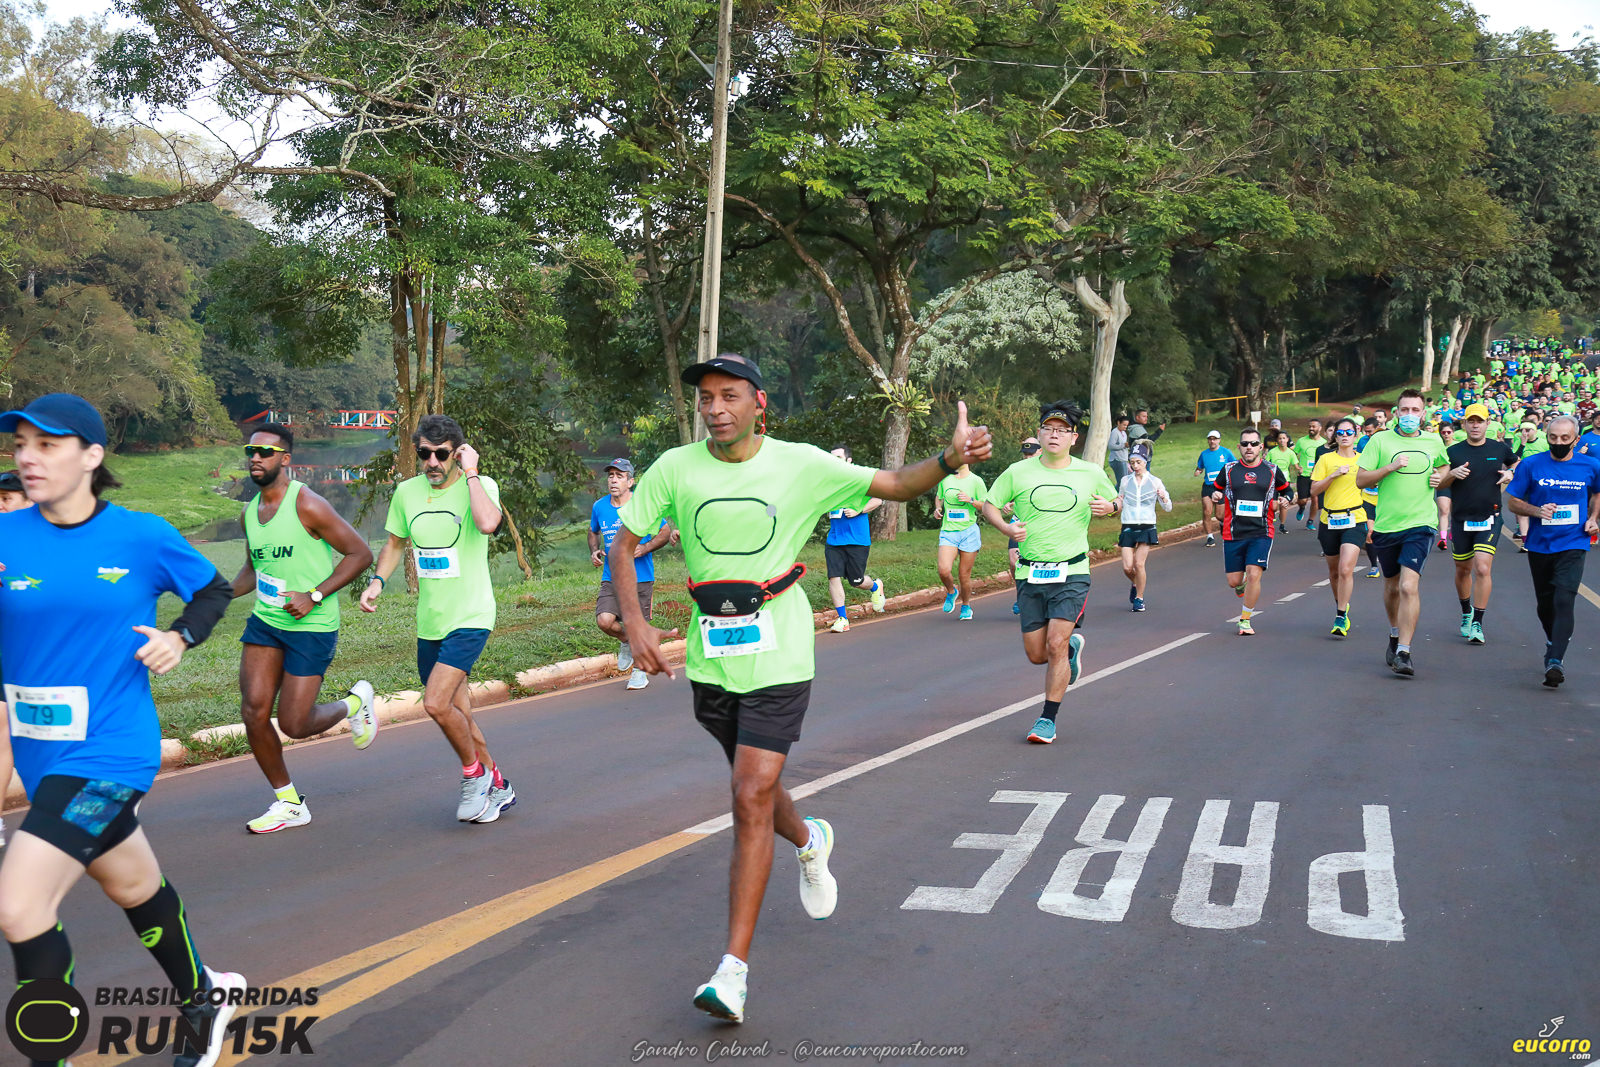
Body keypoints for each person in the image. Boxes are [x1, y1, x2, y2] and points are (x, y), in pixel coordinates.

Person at [610, 354, 991, 1024]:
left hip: (781, 654)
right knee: (757, 791)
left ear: (759, 403)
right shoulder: (674, 467)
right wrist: (635, 622)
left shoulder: (801, 464)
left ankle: (732, 972)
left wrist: (946, 458)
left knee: (748, 794)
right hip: (711, 657)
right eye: (706, 398)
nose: (716, 408)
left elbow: (895, 483)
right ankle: (811, 839)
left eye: (730, 395)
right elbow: (623, 543)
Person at [0, 394, 246, 1067]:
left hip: (111, 753)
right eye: (20, 444)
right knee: (132, 886)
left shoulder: (141, 536)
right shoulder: (6, 537)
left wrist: (178, 637)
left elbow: (213, 590)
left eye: (47, 444)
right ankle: (205, 995)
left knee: (19, 906)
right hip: (45, 759)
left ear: (92, 456)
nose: (28, 457)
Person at [360, 414, 516, 824]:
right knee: (459, 714)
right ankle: (499, 784)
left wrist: (472, 473)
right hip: (431, 621)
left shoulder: (479, 486)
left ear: (457, 453)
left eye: (441, 454)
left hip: (471, 614)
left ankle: (474, 776)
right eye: (424, 454)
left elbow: (488, 523)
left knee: (435, 702)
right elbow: (395, 544)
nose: (432, 462)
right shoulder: (407, 492)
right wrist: (377, 582)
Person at [230, 422, 377, 834]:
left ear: (285, 459)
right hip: (266, 622)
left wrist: (313, 595)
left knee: (294, 724)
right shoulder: (249, 513)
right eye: (251, 451)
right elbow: (253, 569)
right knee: (254, 711)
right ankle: (290, 803)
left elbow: (360, 554)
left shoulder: (308, 504)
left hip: (311, 626)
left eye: (266, 452)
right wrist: (216, 593)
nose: (256, 458)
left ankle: (354, 704)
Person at [980, 400, 1118, 743]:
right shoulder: (1018, 472)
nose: (1055, 435)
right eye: (1049, 429)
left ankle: (1047, 719)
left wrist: (1111, 506)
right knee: (1037, 654)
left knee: (1054, 644)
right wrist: (1006, 528)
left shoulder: (1090, 473)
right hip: (1029, 573)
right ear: (1039, 434)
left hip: (1072, 571)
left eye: (1062, 430)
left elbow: (1116, 500)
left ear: (1074, 438)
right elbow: (989, 505)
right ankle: (1071, 649)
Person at [1356, 389, 1450, 677]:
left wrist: (1441, 477)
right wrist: (1390, 467)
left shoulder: (1433, 440)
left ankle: (1404, 652)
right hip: (1386, 525)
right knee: (1392, 586)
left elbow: (1444, 466)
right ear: (1396, 413)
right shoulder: (1380, 440)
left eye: (1415, 410)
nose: (1410, 415)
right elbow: (1361, 480)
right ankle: (1395, 634)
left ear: (1423, 414)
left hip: (1421, 523)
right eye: (1405, 410)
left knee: (1409, 586)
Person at [1504, 415, 1600, 687]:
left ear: (1576, 440)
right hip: (1540, 543)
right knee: (1545, 603)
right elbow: (1513, 502)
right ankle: (1552, 641)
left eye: (1564, 438)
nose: (1558, 442)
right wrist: (1537, 511)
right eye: (1553, 437)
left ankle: (1555, 660)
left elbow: (1597, 494)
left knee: (1564, 597)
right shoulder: (1531, 464)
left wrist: (1594, 518)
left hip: (1574, 541)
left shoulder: (1591, 465)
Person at [1432, 404, 1516, 645]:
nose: (1476, 425)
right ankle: (1466, 611)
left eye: (1480, 421)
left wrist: (1510, 473)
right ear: (1465, 424)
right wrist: (1451, 474)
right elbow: (1438, 484)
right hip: (1461, 520)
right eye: (1471, 421)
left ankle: (1478, 622)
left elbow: (1516, 463)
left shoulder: (1499, 448)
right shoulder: (1453, 452)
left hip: (1490, 518)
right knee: (1463, 570)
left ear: (1488, 423)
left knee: (1482, 568)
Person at [590, 458, 672, 689]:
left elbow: (665, 532)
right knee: (604, 621)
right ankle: (625, 640)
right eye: (611, 476)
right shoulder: (599, 506)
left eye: (620, 476)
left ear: (631, 482)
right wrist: (594, 550)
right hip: (612, 577)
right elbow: (593, 531)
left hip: (640, 577)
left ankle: (639, 672)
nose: (614, 480)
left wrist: (645, 548)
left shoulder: (641, 505)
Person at [1211, 429, 1291, 636]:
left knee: (1254, 573)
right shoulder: (1229, 469)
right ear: (1239, 447)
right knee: (1234, 582)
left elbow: (1287, 489)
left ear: (1261, 447)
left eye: (1254, 444)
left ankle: (1245, 620)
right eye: (1245, 444)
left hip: (1261, 531)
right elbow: (1216, 488)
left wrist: (1286, 499)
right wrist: (1216, 495)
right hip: (1234, 532)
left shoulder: (1271, 470)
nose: (1249, 447)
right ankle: (1242, 582)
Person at [1310, 418, 1366, 637]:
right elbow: (1314, 490)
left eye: (1349, 432)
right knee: (1334, 572)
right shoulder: (1326, 459)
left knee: (1345, 569)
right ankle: (1341, 605)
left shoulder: (1363, 460)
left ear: (1356, 434)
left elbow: (1373, 486)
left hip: (1355, 518)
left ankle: (1341, 616)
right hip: (1329, 520)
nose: (1344, 436)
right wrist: (1332, 475)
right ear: (1335, 436)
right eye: (1340, 432)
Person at [822, 446, 886, 633]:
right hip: (834, 540)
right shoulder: (829, 483)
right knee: (833, 577)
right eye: (832, 457)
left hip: (857, 540)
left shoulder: (859, 479)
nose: (834, 460)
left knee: (856, 581)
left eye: (839, 457)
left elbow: (878, 500)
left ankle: (875, 586)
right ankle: (842, 618)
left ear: (848, 460)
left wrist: (859, 510)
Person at [1117, 442, 1170, 612]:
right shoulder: (1125, 481)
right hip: (1128, 525)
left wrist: (1163, 497)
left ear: (1145, 462)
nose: (1135, 466)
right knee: (1127, 567)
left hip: (1147, 526)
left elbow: (1168, 507)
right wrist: (1114, 505)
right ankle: (1135, 583)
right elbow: (1120, 500)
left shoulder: (1155, 482)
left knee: (1139, 564)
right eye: (1132, 463)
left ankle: (1139, 598)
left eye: (1138, 462)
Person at [932, 456, 987, 620]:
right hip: (949, 531)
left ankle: (966, 606)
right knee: (943, 570)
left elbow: (985, 506)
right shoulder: (945, 479)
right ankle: (951, 591)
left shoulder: (976, 481)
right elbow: (939, 497)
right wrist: (937, 508)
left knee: (964, 575)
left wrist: (970, 500)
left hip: (969, 532)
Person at [1008, 438, 1040, 615]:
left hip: (1040, 524)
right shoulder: (1015, 471)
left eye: (1031, 454)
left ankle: (1036, 597)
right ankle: (1022, 595)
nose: (1027, 458)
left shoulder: (1048, 472)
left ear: (1040, 452)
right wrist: (1007, 503)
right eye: (1025, 455)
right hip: (1018, 522)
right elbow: (1005, 494)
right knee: (1014, 562)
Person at [1194, 430, 1235, 547]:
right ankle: (1210, 537)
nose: (1212, 441)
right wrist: (1198, 471)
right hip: (1208, 486)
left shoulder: (1226, 452)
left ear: (1219, 440)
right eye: (1210, 439)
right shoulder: (1204, 454)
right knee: (1207, 511)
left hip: (1221, 487)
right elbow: (1200, 467)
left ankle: (1223, 523)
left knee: (1219, 515)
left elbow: (1235, 465)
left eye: (1215, 439)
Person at [1292, 419, 1325, 530]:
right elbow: (1293, 454)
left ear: (1320, 428)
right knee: (1303, 500)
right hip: (1304, 475)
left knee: (1315, 500)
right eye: (1309, 426)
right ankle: (1301, 507)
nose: (1311, 428)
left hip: (1317, 476)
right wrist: (1297, 467)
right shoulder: (1301, 441)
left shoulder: (1324, 443)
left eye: (1313, 426)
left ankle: (1310, 521)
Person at [1267, 430, 1300, 532]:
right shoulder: (1272, 452)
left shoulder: (1291, 453)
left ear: (1287, 440)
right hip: (1273, 481)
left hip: (1285, 481)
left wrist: (1300, 470)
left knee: (1284, 503)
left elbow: (1296, 466)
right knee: (1273, 504)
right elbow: (1265, 464)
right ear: (1277, 440)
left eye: (1284, 438)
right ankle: (1271, 518)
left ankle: (1282, 525)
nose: (1282, 440)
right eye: (1280, 438)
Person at [1107, 414, 1131, 487]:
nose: (1125, 427)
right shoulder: (1115, 432)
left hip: (1123, 459)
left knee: (1126, 480)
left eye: (1126, 425)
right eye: (1124, 425)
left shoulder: (1124, 433)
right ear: (1118, 423)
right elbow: (1111, 446)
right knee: (1122, 482)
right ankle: (1116, 493)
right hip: (1117, 460)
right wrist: (1123, 445)